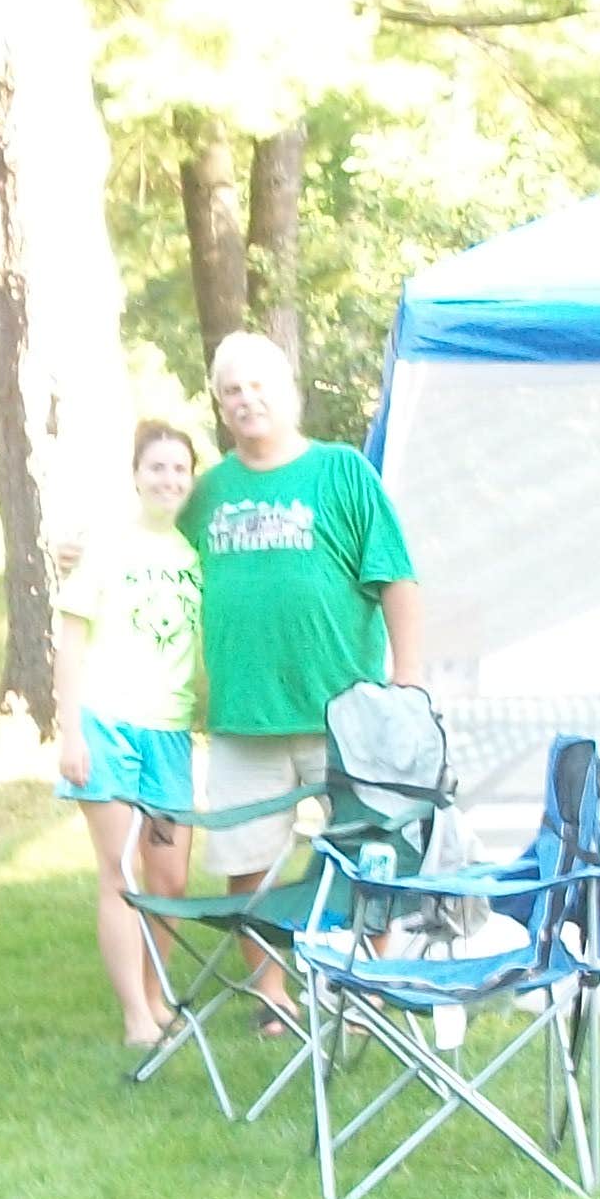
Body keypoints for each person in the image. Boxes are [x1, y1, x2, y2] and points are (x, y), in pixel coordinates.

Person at [183, 331, 423, 1010]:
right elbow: (149, 555)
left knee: (369, 854)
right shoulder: (207, 493)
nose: (246, 400)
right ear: (220, 405)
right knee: (246, 861)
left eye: (258, 385)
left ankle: (368, 988)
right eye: (232, 390)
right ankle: (272, 995)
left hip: (342, 712)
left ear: (287, 392)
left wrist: (408, 680)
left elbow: (396, 576)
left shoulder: (342, 472)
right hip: (244, 715)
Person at [55, 422, 205, 1048]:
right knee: (120, 872)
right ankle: (135, 1015)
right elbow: (70, 640)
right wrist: (70, 732)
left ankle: (155, 992)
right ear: (136, 476)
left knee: (169, 877)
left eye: (179, 469)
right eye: (156, 467)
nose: (168, 479)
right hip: (109, 727)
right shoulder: (106, 547)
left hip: (170, 735)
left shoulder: (196, 554)